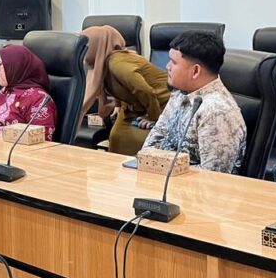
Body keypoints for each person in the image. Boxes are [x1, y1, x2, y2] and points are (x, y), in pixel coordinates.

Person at [139, 30, 246, 173]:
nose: (167, 66)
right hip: (160, 177)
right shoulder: (180, 93)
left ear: (195, 71)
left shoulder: (218, 112)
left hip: (187, 185)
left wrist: (159, 168)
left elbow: (212, 175)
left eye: (174, 62)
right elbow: (153, 143)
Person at [81, 25, 170, 155]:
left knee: (135, 140)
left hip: (160, 105)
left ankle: (135, 165)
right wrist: (118, 105)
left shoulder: (117, 63)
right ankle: (116, 165)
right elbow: (119, 85)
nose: (81, 51)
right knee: (116, 136)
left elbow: (145, 90)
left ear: (96, 46)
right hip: (133, 107)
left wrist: (153, 117)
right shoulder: (102, 63)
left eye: (85, 47)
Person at [0, 44, 57, 141]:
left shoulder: (39, 99)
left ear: (16, 66)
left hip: (16, 149)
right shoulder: (4, 92)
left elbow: (40, 140)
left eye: (0, 65)